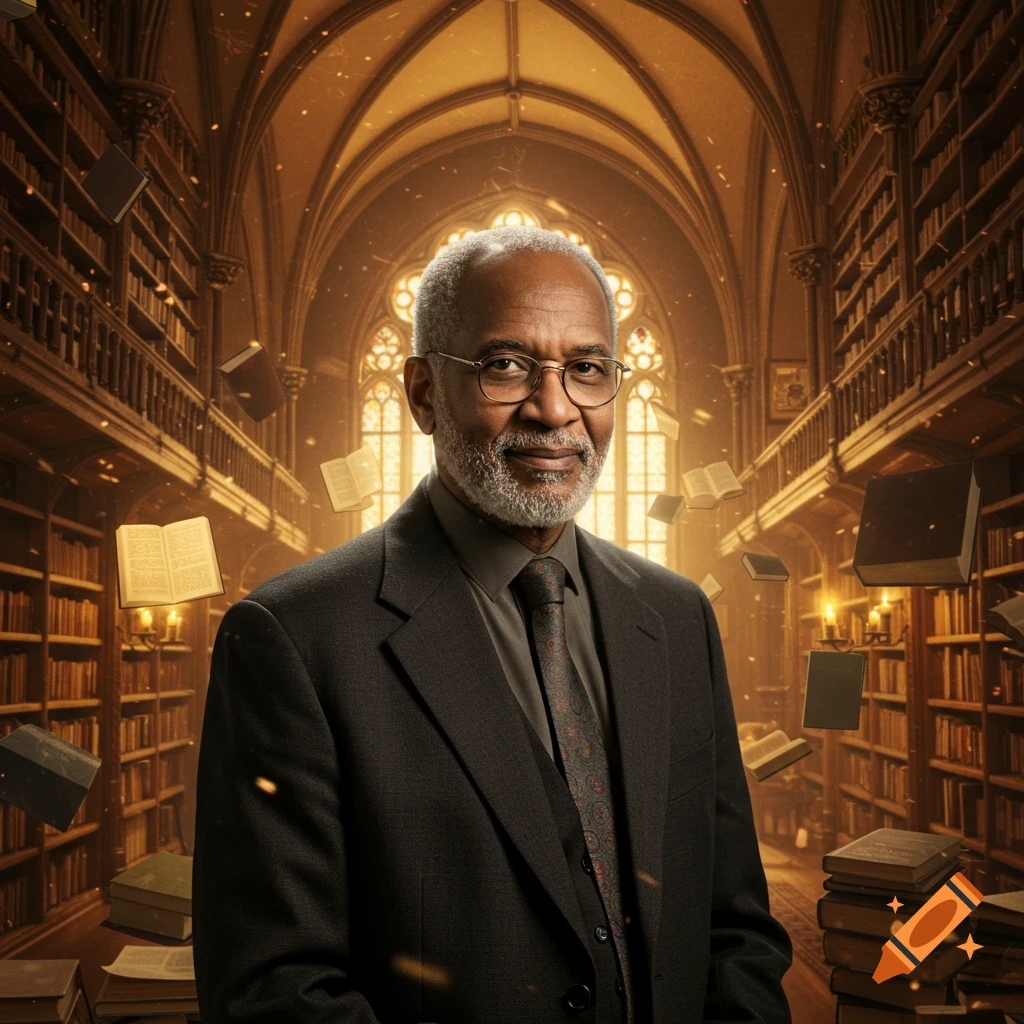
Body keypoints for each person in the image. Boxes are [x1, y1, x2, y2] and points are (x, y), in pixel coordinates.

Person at [193, 225, 793, 1024]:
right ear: (422, 393)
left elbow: (736, 931)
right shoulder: (294, 636)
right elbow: (274, 991)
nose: (555, 410)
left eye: (587, 369)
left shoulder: (678, 617)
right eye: (506, 365)